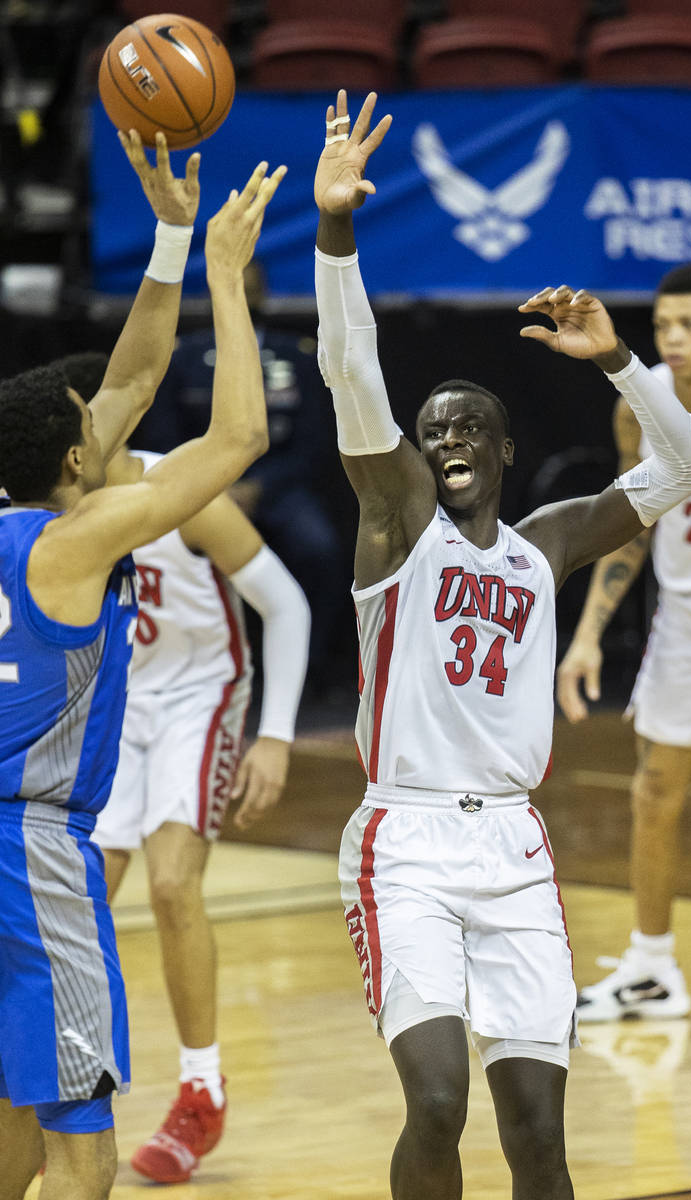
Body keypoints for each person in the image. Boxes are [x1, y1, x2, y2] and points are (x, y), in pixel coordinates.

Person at [313, 90, 691, 1200]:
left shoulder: (543, 547)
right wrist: (337, 232)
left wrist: (620, 363)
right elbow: (352, 376)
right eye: (429, 427)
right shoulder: (398, 531)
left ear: (499, 446)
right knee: (438, 1099)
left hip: (515, 854)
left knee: (538, 1128)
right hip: (404, 841)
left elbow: (686, 470)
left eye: (462, 426)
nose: (441, 437)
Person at [0, 127, 285, 1200]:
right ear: (80, 463)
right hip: (32, 853)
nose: (110, 413)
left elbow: (129, 373)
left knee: (12, 1125)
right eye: (95, 427)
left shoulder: (24, 507)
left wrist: (166, 237)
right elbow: (239, 437)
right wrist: (223, 275)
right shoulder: (77, 541)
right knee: (84, 1150)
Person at [90, 435, 310, 1185]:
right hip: (116, 701)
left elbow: (286, 606)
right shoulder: (45, 503)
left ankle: (201, 1090)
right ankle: (57, 1083)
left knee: (173, 883)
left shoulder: (184, 498)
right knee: (80, 900)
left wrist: (274, 736)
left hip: (202, 693)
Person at [556, 264, 691, 1022]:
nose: (671, 338)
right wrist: (586, 637)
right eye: (662, 325)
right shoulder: (641, 410)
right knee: (652, 790)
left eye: (688, 325)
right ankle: (649, 967)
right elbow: (626, 524)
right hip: (687, 613)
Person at [134, 257, 349, 697]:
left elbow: (313, 442)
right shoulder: (184, 356)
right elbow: (163, 438)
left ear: (261, 295)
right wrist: (215, 486)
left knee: (321, 549)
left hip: (277, 488)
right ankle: (191, 664)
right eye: (233, 285)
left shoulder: (298, 356)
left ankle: (306, 669)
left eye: (249, 287)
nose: (241, 295)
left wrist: (259, 487)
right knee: (162, 556)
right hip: (202, 490)